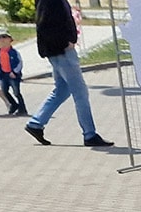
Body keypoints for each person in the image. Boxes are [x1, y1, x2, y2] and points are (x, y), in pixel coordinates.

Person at [26, 0, 113, 147]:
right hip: (62, 51)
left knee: (62, 90)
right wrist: (67, 40)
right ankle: (89, 134)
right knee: (81, 93)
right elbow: (48, 24)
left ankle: (36, 123)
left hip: (57, 50)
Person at [0, 30, 26, 116]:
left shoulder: (14, 52)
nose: (1, 39)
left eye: (4, 37)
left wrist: (14, 72)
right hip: (3, 75)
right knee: (4, 91)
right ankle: (14, 105)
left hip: (13, 75)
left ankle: (22, 109)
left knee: (16, 92)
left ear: (10, 39)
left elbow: (19, 63)